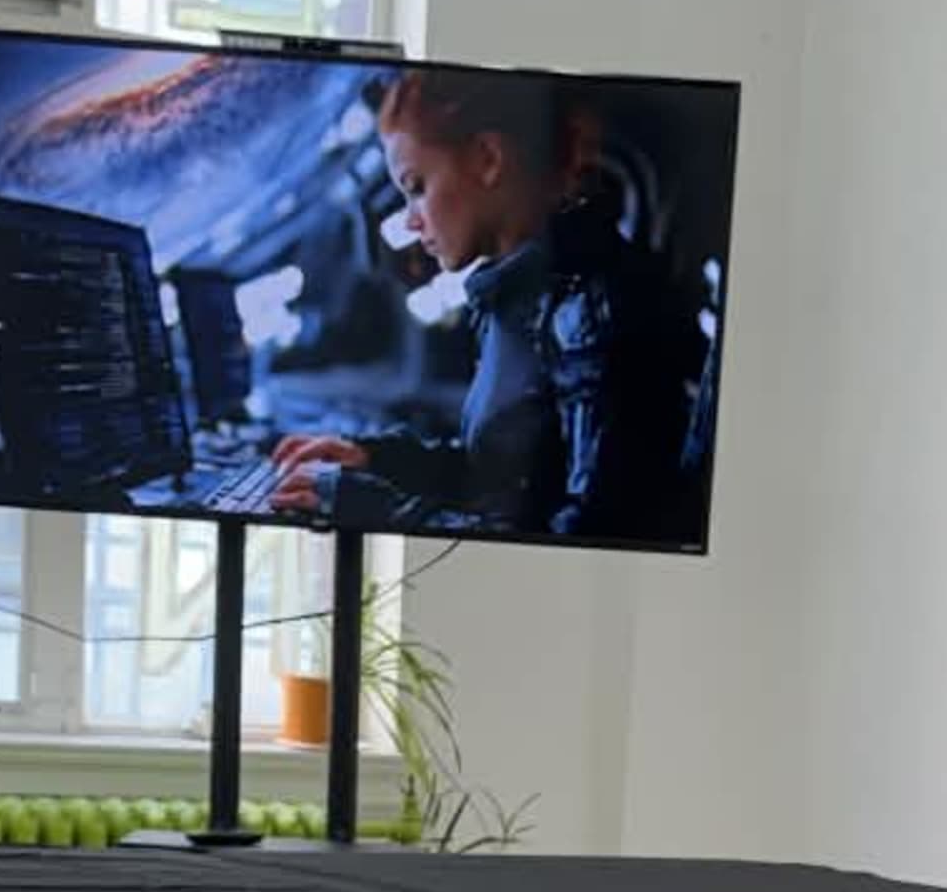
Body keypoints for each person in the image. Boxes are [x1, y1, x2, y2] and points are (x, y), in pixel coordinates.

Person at [269, 68, 705, 542]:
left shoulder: (592, 315)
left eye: (416, 187)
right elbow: (502, 476)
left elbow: (583, 539)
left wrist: (380, 510)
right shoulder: (517, 299)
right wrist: (375, 459)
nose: (412, 221)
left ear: (487, 159)